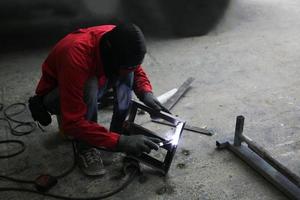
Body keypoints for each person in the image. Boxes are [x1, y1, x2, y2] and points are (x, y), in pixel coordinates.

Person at [28, 23, 169, 176]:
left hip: (94, 76)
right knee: (89, 85)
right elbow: (73, 123)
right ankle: (86, 147)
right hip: (60, 95)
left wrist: (145, 92)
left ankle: (117, 128)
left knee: (127, 72)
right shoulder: (75, 56)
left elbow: (133, 68)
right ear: (109, 55)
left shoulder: (118, 39)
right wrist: (120, 142)